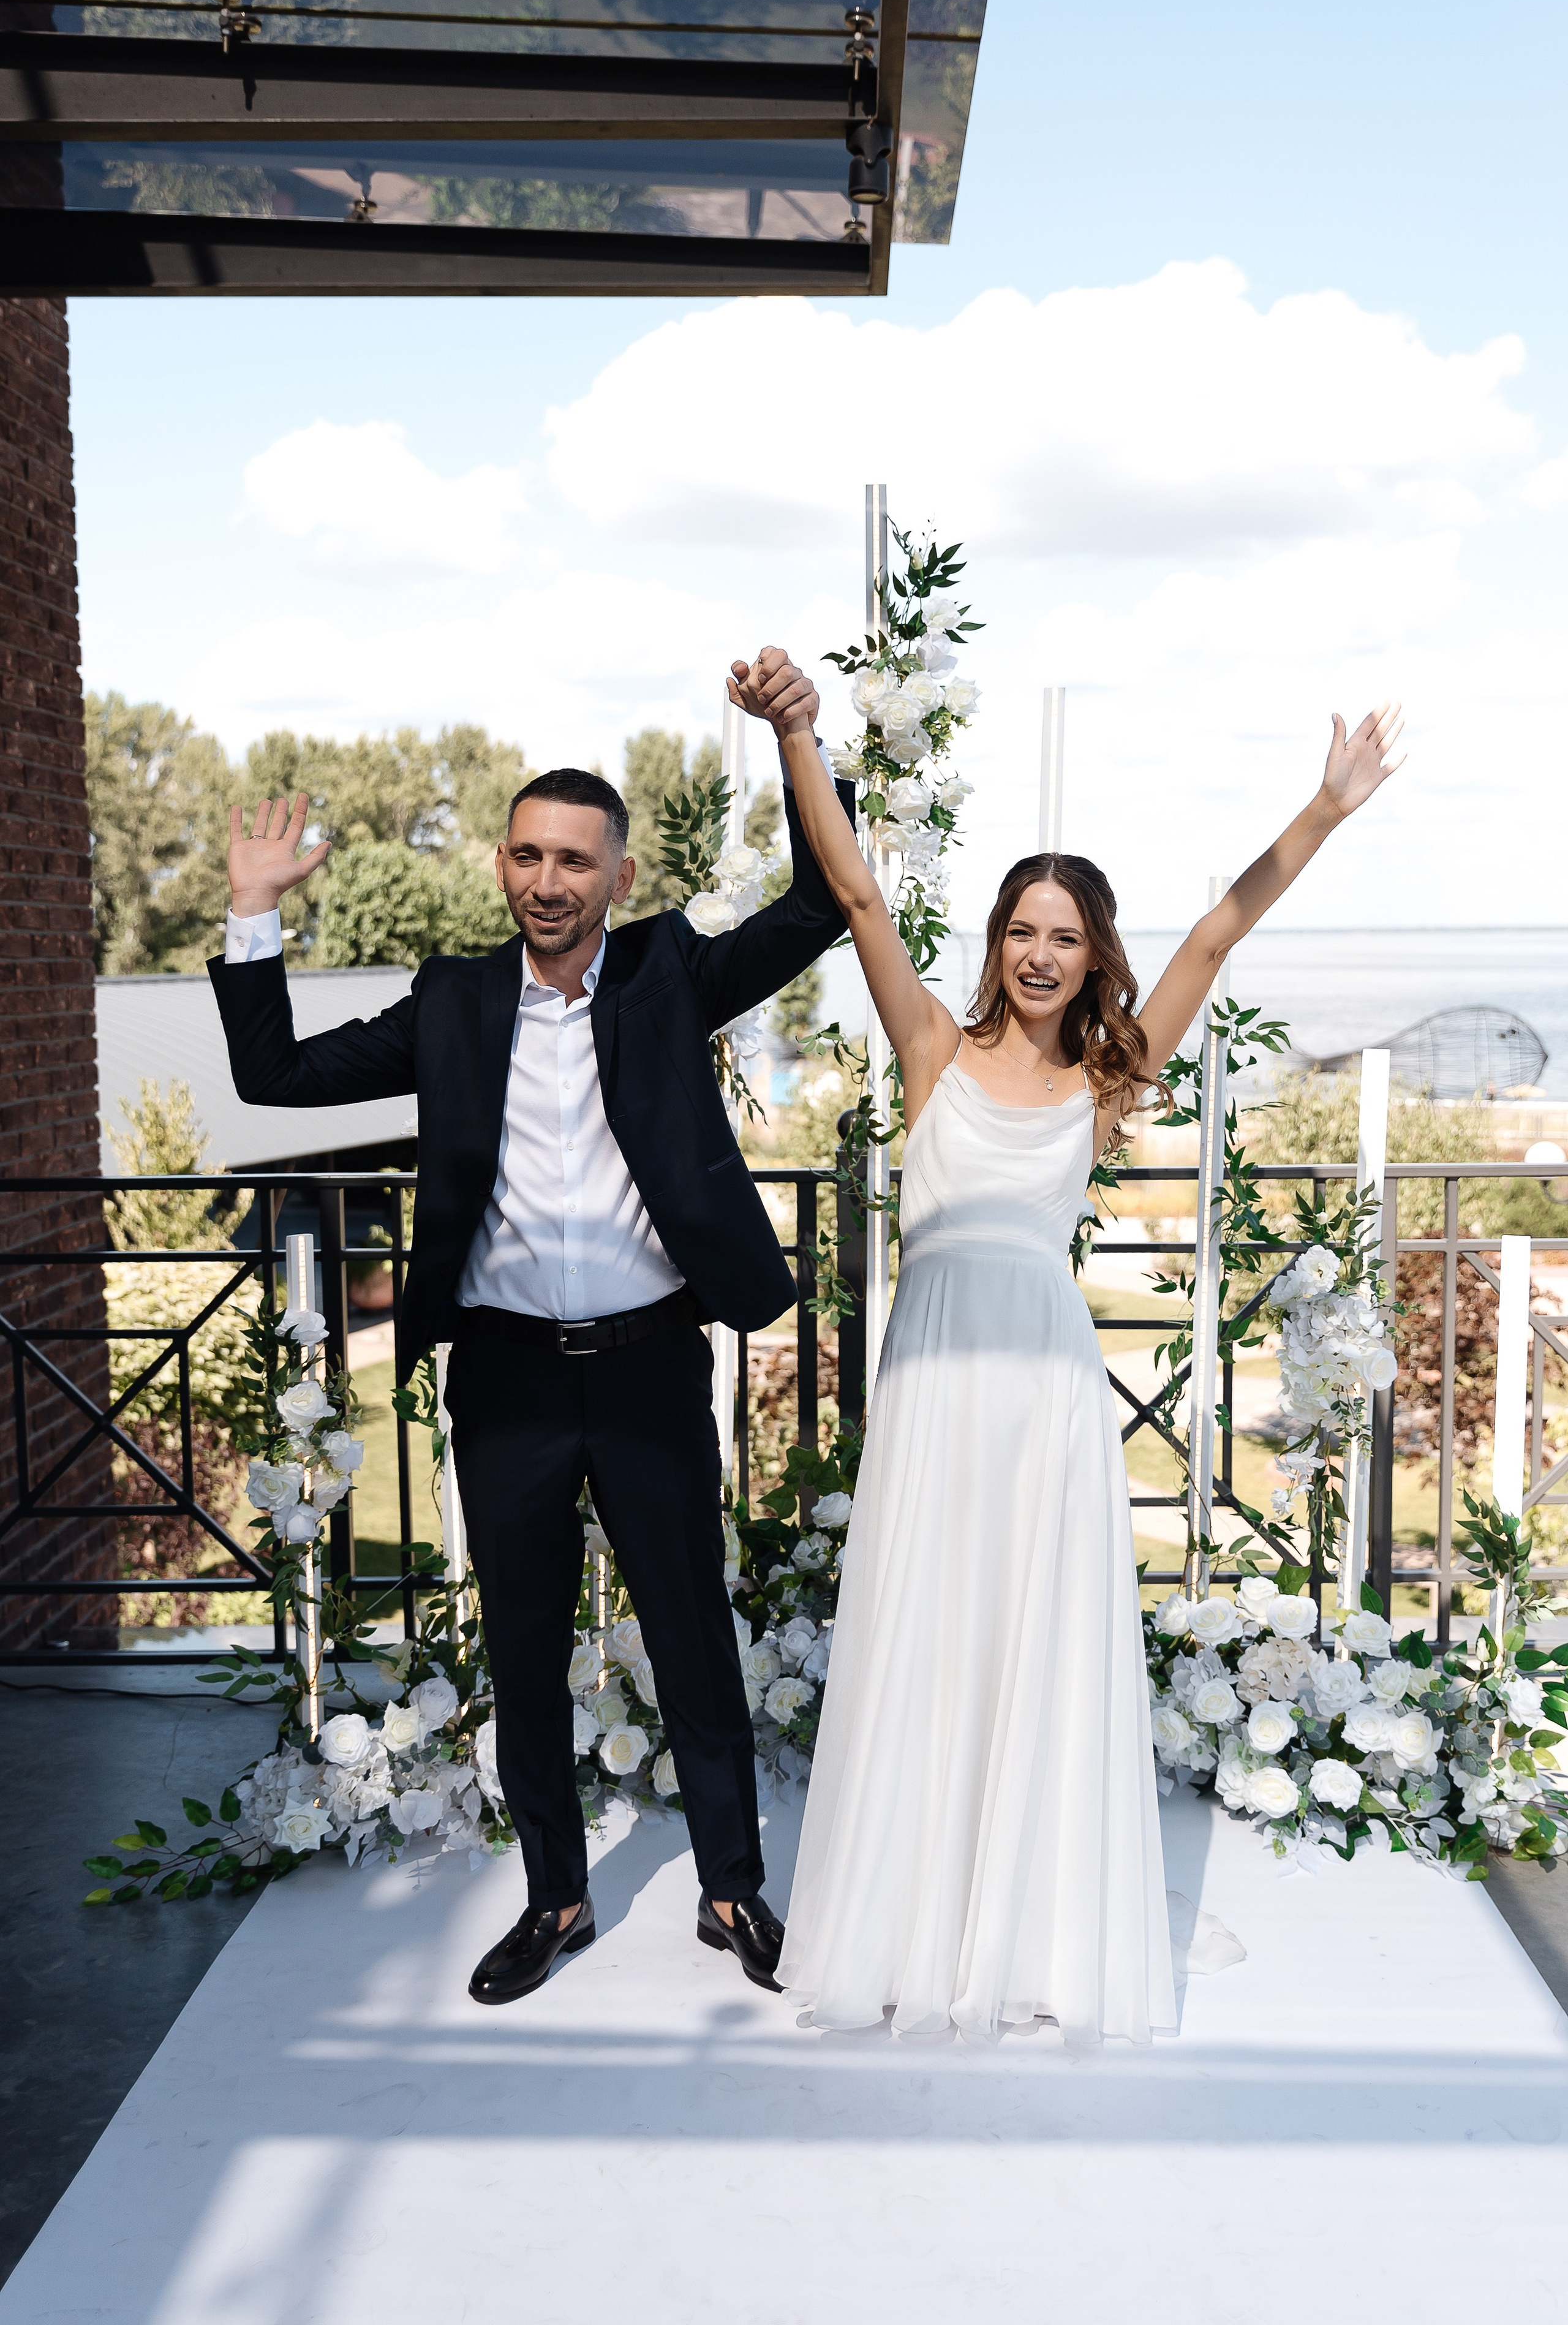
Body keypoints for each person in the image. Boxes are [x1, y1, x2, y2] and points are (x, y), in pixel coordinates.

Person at [727, 646, 1405, 2043]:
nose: (1041, 954)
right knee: (930, 1637)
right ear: (996, 943)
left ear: (1093, 956)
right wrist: (799, 732)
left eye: (1067, 936)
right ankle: (915, 1918)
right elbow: (855, 891)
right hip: (935, 1396)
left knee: (1031, 1645)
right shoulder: (930, 1048)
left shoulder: (1106, 1078)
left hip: (1043, 1401)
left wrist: (1326, 807)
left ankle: (1027, 1926)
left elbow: (1211, 938)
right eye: (1022, 930)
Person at [210, 746, 854, 2005]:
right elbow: (271, 1077)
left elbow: (818, 904)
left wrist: (794, 740)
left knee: (692, 1639)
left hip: (649, 1368)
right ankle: (555, 1899)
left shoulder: (670, 973)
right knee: (522, 1651)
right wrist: (253, 910)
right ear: (500, 863)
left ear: (620, 876)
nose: (546, 881)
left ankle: (732, 1888)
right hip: (505, 1380)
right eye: (525, 855)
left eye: (572, 860)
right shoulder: (452, 1001)